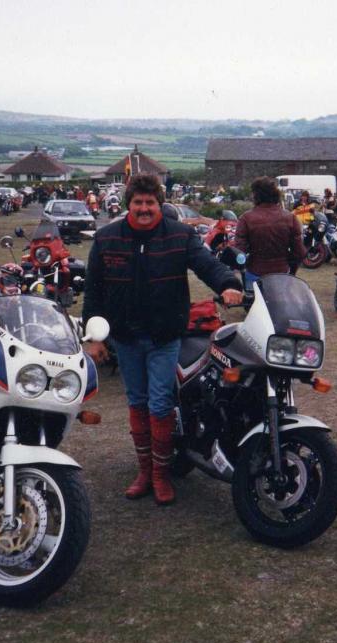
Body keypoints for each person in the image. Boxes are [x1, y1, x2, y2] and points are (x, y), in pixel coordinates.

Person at [83, 174, 243, 505]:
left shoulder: (181, 235)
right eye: (138, 202)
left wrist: (228, 283)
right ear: (129, 204)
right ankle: (144, 472)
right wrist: (93, 336)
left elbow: (206, 265)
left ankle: (160, 473)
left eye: (150, 202)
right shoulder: (106, 238)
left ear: (159, 204)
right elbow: (93, 292)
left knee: (159, 403)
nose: (144, 208)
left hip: (164, 335)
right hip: (125, 337)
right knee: (137, 402)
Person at [234, 177, 307, 284]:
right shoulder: (290, 218)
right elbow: (299, 252)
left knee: (252, 300)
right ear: (276, 195)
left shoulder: (246, 218)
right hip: (282, 273)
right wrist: (291, 269)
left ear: (256, 196)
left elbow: (240, 252)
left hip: (255, 272)